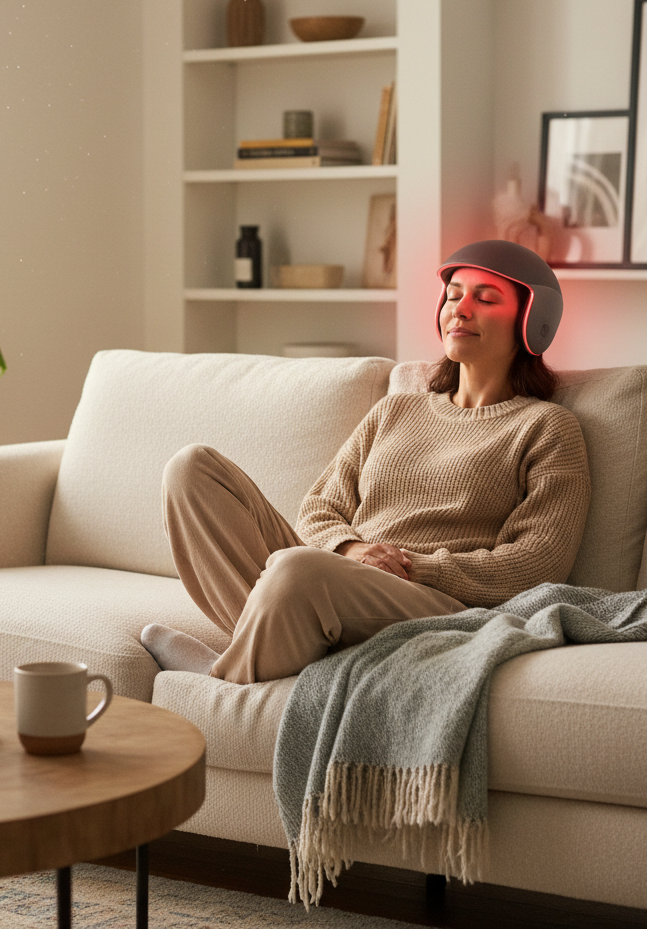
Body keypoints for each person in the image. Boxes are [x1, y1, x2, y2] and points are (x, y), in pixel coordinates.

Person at [141, 240, 591, 685]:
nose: (461, 308)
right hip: (340, 575)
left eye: (485, 298)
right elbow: (319, 507)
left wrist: (412, 565)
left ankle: (222, 677)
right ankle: (289, 641)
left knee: (298, 571)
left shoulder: (547, 427)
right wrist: (349, 550)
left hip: (434, 601)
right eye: (453, 295)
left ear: (533, 320)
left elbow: (539, 561)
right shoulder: (396, 411)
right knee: (191, 469)